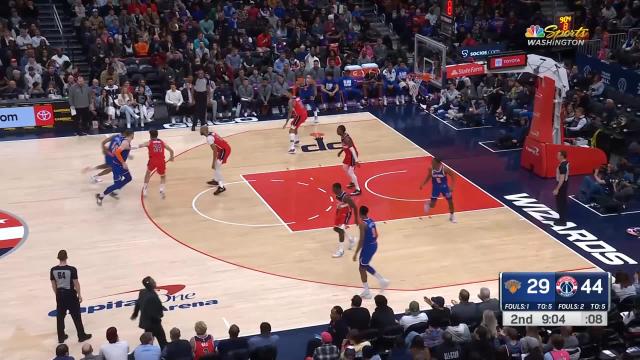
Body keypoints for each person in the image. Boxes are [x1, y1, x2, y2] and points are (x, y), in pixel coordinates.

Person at [50, 250, 92, 344]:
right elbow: (76, 283)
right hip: (70, 295)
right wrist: (79, 294)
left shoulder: (53, 270)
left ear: (58, 258)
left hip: (60, 294)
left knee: (60, 316)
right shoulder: (72, 269)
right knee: (76, 315)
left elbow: (53, 284)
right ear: (66, 257)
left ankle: (61, 337)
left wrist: (57, 294)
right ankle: (81, 335)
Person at [352, 206, 389, 299]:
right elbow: (376, 234)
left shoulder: (362, 224)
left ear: (360, 213)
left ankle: (367, 291)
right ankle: (382, 281)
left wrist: (355, 253)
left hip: (368, 247)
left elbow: (361, 240)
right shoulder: (371, 221)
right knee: (363, 265)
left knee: (361, 268)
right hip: (373, 245)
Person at [95, 131, 134, 205]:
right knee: (117, 184)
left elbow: (123, 149)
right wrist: (123, 162)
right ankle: (100, 196)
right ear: (131, 135)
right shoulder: (125, 142)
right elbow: (117, 152)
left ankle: (114, 191)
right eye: (133, 135)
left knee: (128, 178)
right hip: (117, 165)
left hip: (120, 164)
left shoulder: (125, 141)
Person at [131, 276, 167, 348]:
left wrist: (135, 313)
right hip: (155, 324)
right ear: (151, 285)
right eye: (153, 281)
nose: (155, 282)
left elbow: (138, 303)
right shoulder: (152, 297)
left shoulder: (142, 292)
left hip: (146, 323)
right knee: (163, 343)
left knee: (147, 344)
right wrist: (160, 314)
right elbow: (157, 312)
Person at [138, 129, 175, 198]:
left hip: (152, 161)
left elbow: (140, 145)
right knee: (163, 176)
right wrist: (171, 157)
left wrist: (131, 147)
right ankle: (161, 189)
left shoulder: (149, 142)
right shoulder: (162, 142)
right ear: (157, 134)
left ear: (150, 135)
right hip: (161, 161)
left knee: (148, 174)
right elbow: (171, 150)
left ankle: (145, 189)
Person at [419, 157, 456, 223]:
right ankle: (428, 203)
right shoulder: (431, 169)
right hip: (436, 188)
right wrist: (423, 184)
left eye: (433, 162)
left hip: (445, 187)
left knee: (450, 202)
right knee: (433, 205)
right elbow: (428, 176)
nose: (431, 163)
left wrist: (452, 186)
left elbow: (453, 176)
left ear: (437, 163)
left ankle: (452, 216)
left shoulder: (445, 169)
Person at [200, 126, 231, 195]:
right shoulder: (211, 133)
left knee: (217, 167)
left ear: (204, 131)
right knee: (217, 167)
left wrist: (213, 163)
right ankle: (216, 180)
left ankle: (221, 186)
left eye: (201, 129)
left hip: (224, 150)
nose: (199, 131)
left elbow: (215, 150)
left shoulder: (209, 138)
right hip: (224, 149)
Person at [331, 182, 358, 258]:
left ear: (338, 189)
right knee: (336, 228)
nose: (332, 190)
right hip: (340, 212)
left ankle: (341, 251)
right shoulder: (337, 194)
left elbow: (354, 206)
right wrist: (337, 210)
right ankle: (351, 240)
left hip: (346, 214)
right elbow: (339, 204)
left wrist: (356, 219)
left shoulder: (345, 197)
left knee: (340, 230)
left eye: (334, 189)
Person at [336, 125, 361, 195]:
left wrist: (356, 161)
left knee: (350, 172)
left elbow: (352, 150)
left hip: (352, 156)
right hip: (348, 155)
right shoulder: (342, 136)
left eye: (338, 130)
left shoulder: (347, 139)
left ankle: (358, 189)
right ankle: (353, 182)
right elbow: (345, 146)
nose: (337, 131)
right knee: (344, 167)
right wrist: (341, 151)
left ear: (342, 131)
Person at [554, 151, 569, 226]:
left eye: (558, 155)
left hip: (562, 185)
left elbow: (562, 179)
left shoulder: (562, 166)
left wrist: (557, 189)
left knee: (560, 203)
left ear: (562, 156)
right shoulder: (566, 163)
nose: (557, 156)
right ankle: (561, 218)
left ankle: (562, 221)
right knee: (562, 202)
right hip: (564, 184)